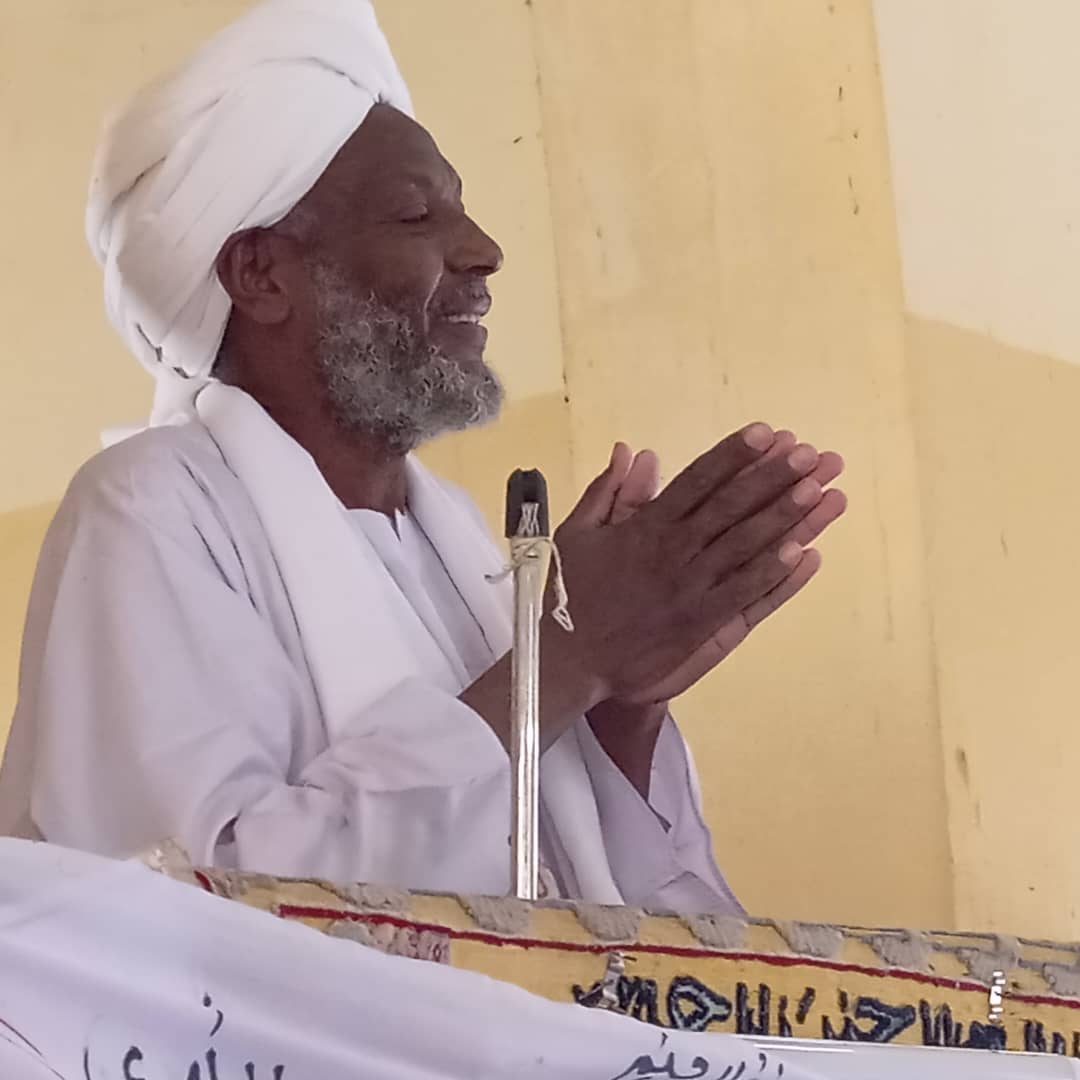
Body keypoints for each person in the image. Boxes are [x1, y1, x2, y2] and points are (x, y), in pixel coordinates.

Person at [0, 0, 845, 910]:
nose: (483, 251)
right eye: (416, 215)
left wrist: (622, 709)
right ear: (261, 274)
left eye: (462, 210)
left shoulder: (455, 542)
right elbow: (199, 904)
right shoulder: (149, 508)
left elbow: (598, 925)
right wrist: (568, 653)